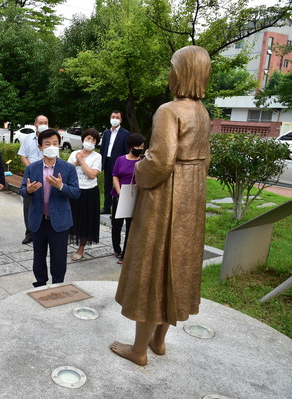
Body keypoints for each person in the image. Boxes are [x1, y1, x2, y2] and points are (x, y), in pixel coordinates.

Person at [110, 46, 212, 366]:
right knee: (176, 267)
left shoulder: (169, 110)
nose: (169, 73)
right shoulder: (203, 112)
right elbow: (206, 159)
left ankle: (138, 349)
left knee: (152, 268)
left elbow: (160, 161)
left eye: (172, 67)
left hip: (164, 198)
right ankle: (159, 341)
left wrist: (138, 171)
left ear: (181, 72)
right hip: (191, 198)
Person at [20, 129, 80, 287]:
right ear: (40, 147)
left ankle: (58, 285)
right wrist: (29, 191)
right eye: (47, 144)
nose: (51, 146)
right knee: (38, 255)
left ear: (59, 145)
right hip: (38, 220)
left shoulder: (68, 168)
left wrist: (61, 187)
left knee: (59, 257)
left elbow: (75, 192)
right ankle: (40, 283)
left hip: (59, 221)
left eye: (55, 143)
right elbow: (22, 189)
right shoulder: (32, 168)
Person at [67, 128, 102, 261]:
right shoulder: (74, 153)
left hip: (89, 192)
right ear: (83, 139)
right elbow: (68, 171)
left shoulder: (97, 156)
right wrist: (77, 159)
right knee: (71, 218)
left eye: (93, 140)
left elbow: (92, 174)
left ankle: (81, 247)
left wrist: (82, 161)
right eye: (88, 138)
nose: (90, 141)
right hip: (74, 190)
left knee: (85, 221)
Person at [110, 134, 145, 264]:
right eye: (138, 146)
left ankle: (125, 254)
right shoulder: (120, 160)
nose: (140, 148)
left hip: (134, 196)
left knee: (130, 226)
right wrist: (120, 193)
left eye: (142, 146)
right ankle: (117, 248)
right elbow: (115, 176)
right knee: (116, 224)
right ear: (131, 147)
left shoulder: (142, 162)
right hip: (119, 194)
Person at [17, 115, 47, 244]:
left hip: (47, 174)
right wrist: (32, 168)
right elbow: (23, 156)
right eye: (41, 122)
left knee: (45, 202)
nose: (43, 124)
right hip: (31, 174)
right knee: (28, 205)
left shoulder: (51, 139)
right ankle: (29, 233)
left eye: (45, 122)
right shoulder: (28, 138)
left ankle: (42, 232)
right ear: (35, 124)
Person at [100, 110, 131, 214]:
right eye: (113, 117)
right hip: (107, 162)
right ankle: (106, 207)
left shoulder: (125, 133)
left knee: (118, 185)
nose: (115, 119)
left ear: (121, 120)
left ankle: (118, 209)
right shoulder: (106, 133)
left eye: (117, 117)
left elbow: (126, 150)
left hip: (119, 163)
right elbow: (103, 148)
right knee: (107, 185)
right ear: (110, 118)